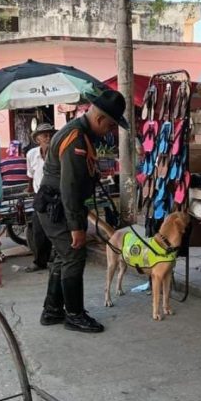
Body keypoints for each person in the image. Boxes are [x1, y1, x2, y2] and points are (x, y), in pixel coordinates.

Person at [35, 90, 128, 333]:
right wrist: (77, 227)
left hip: (55, 204)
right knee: (74, 255)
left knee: (61, 256)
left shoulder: (81, 132)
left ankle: (52, 310)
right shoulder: (76, 137)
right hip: (57, 206)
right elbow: (70, 187)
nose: (110, 131)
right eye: (110, 126)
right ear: (99, 119)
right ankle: (74, 315)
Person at [26, 123, 56, 272]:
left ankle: (57, 258)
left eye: (50, 134)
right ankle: (40, 261)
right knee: (38, 230)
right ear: (38, 139)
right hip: (40, 196)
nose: (48, 137)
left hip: (55, 195)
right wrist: (31, 190)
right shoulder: (31, 154)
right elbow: (30, 175)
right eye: (44, 135)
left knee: (56, 228)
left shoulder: (57, 152)